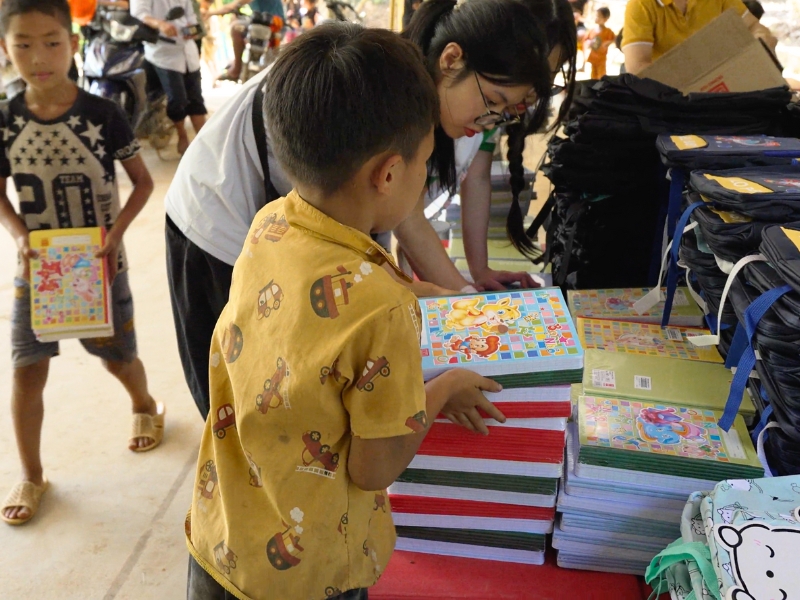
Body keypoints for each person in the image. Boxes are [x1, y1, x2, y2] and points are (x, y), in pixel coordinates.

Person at [184, 22, 506, 600]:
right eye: (424, 162)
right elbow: (373, 469)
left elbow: (311, 309)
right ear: (389, 174)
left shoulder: (270, 223)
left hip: (221, 539)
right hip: (308, 575)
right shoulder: (384, 314)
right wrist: (446, 387)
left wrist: (414, 290)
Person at [164, 0, 555, 420]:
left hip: (278, 243)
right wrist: (437, 380)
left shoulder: (397, 109)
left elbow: (382, 244)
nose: (491, 120)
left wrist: (456, 299)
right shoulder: (356, 101)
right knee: (242, 402)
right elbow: (376, 433)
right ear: (451, 59)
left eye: (508, 112)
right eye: (494, 100)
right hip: (214, 223)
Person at [0, 0, 161, 526]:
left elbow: (142, 182)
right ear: (5, 48)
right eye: (23, 44)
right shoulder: (5, 118)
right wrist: (20, 235)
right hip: (37, 269)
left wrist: (115, 235)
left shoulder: (103, 114)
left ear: (73, 44)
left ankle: (144, 404)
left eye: (51, 42)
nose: (38, 57)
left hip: (100, 265)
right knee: (27, 370)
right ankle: (32, 474)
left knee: (117, 357)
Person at [452, 0, 577, 291]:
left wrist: (479, 272)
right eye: (532, 76)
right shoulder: (433, 109)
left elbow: (476, 179)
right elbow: (408, 218)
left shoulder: (487, 112)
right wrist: (459, 289)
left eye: (547, 80)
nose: (532, 94)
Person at [130, 0, 207, 155]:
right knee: (177, 100)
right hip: (162, 53)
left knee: (196, 99)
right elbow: (139, 13)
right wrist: (160, 24)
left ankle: (206, 143)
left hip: (187, 50)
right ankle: (182, 136)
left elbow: (190, 15)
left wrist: (191, 28)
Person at [622, 0, 778, 75]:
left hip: (717, 88)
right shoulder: (641, 5)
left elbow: (753, 26)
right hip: (667, 98)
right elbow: (637, 67)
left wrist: (762, 37)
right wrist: (693, 78)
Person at [202, 0, 285, 82]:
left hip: (274, 25)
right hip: (264, 24)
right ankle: (237, 65)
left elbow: (232, 6)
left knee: (235, 28)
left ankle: (236, 69)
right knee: (238, 26)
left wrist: (211, 13)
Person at [584, 6, 615, 79]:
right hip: (593, 56)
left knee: (601, 75)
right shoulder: (592, 30)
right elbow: (587, 39)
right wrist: (589, 42)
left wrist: (606, 43)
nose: (596, 18)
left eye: (599, 16)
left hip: (601, 58)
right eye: (596, 16)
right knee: (593, 74)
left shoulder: (608, 31)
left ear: (605, 19)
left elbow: (613, 39)